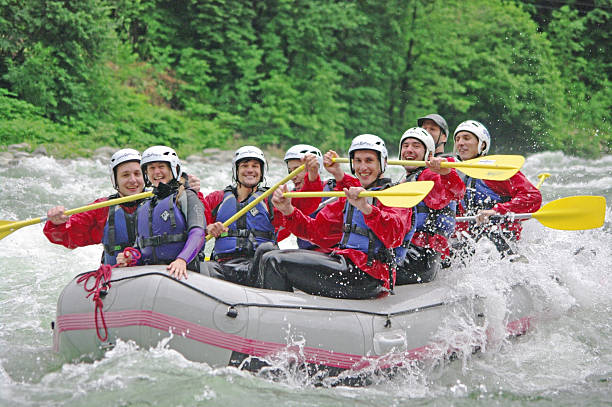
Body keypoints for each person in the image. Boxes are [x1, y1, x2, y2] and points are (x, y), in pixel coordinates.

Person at [258, 134, 412, 299]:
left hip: (370, 276)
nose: (363, 167)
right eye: (358, 161)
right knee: (267, 255)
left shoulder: (395, 194)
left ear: (383, 163)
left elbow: (395, 236)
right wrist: (288, 210)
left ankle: (277, 318)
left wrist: (366, 208)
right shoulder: (349, 196)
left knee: (275, 261)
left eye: (369, 160)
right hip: (344, 264)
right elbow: (316, 232)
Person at [200, 146, 306, 287]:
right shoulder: (217, 198)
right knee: (202, 266)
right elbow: (197, 226)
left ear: (261, 171)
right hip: (223, 265)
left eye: (255, 166)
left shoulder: (273, 198)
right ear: (236, 170)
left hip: (258, 266)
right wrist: (208, 228)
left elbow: (304, 209)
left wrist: (311, 177)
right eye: (244, 166)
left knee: (268, 248)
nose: (250, 170)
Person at [451, 120, 542, 257]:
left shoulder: (497, 170)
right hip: (472, 241)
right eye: (457, 139)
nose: (460, 143)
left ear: (482, 144)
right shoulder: (459, 174)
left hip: (502, 239)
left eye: (466, 138)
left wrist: (496, 210)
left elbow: (533, 197)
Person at [116, 146, 207, 280]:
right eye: (151, 168)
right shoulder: (144, 206)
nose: (156, 172)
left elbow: (198, 233)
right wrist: (130, 257)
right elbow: (140, 247)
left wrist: (182, 260)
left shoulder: (186, 196)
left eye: (161, 166)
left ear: (173, 168)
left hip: (185, 271)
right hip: (152, 273)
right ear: (146, 172)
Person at [43, 148, 146, 265]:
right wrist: (57, 223)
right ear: (115, 180)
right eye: (125, 175)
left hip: (156, 273)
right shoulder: (102, 209)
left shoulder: (158, 202)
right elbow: (67, 237)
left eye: (137, 174)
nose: (133, 180)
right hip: (117, 275)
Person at [395, 127, 465, 284]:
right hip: (407, 251)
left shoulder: (430, 175)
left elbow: (458, 192)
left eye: (416, 146)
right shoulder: (405, 179)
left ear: (429, 154)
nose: (409, 150)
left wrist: (446, 173)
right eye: (405, 146)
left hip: (421, 257)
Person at [276, 144, 335, 251]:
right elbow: (279, 232)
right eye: (290, 171)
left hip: (334, 254)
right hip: (306, 255)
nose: (293, 177)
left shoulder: (334, 191)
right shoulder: (289, 198)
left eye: (298, 170)